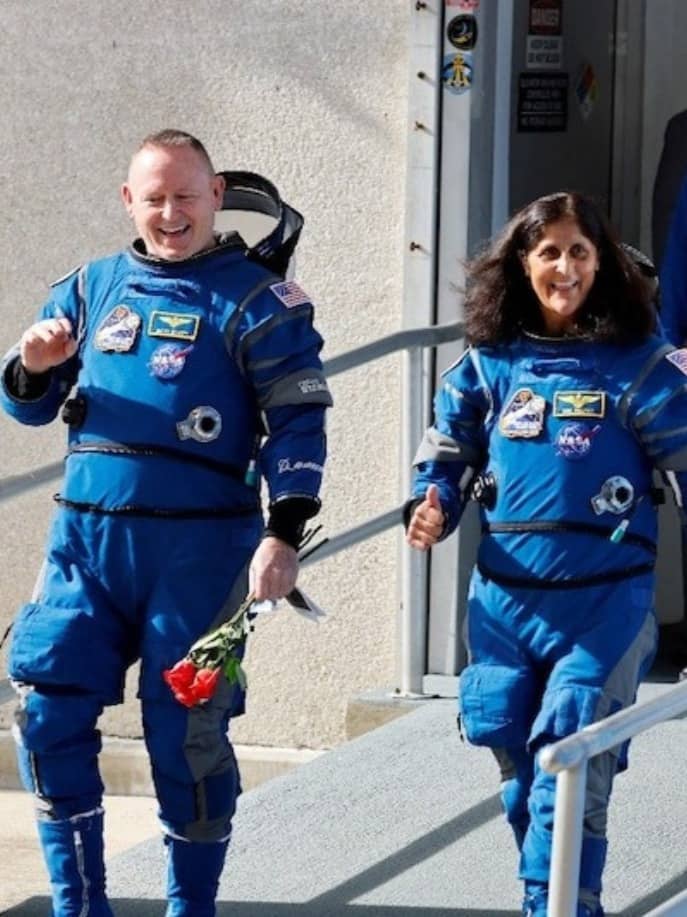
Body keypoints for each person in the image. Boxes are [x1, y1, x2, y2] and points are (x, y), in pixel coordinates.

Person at [0, 129, 332, 916]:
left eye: (186, 195)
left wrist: (283, 534)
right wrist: (32, 366)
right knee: (46, 710)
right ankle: (80, 906)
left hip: (201, 551)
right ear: (129, 201)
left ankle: (192, 907)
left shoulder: (258, 301)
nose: (170, 212)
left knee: (186, 732)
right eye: (154, 197)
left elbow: (299, 425)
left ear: (217, 195)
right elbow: (28, 405)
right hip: (85, 546)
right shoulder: (87, 287)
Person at [405, 191, 687, 917]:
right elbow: (446, 450)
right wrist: (433, 503)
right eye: (549, 252)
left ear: (604, 262)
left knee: (570, 766)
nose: (564, 267)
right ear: (521, 264)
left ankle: (552, 906)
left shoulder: (639, 368)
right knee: (517, 774)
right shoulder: (488, 364)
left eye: (580, 252)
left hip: (605, 601)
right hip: (503, 601)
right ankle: (565, 900)